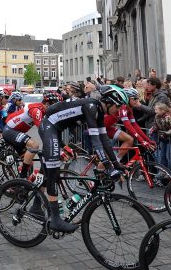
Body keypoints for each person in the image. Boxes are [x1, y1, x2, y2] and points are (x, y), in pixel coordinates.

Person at [37, 85, 123, 233]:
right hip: (49, 126)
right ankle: (55, 220)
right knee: (53, 172)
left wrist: (117, 164)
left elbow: (104, 139)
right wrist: (109, 167)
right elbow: (95, 142)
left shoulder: (99, 112)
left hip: (56, 130)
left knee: (49, 171)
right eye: (118, 106)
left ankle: (35, 206)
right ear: (109, 102)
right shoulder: (91, 106)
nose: (119, 111)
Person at [2, 91, 59, 178]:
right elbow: (42, 130)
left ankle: (17, 183)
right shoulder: (37, 110)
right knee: (34, 146)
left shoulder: (43, 110)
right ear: (47, 104)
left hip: (15, 132)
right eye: (55, 106)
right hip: (10, 131)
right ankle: (22, 176)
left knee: (29, 162)